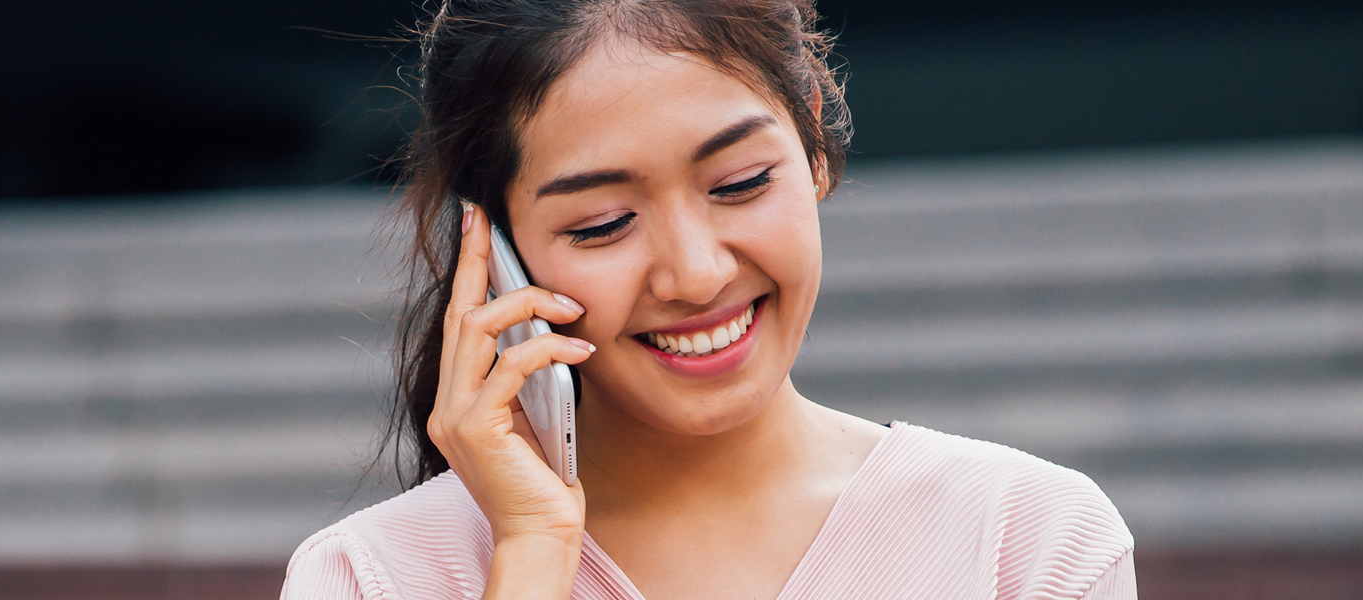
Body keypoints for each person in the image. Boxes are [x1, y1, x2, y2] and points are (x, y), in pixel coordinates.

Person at [282, 0, 1135, 598]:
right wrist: (533, 559)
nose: (694, 274)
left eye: (739, 182)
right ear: (495, 249)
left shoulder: (1025, 540)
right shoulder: (370, 578)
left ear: (812, 146)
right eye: (605, 224)